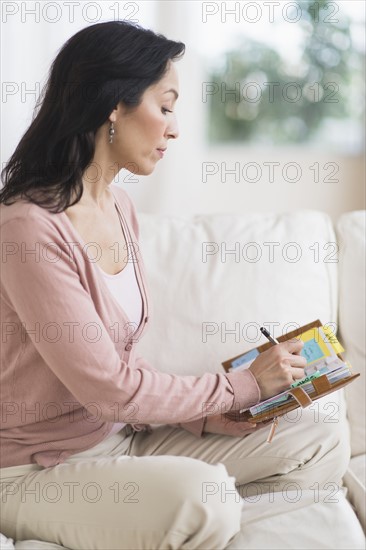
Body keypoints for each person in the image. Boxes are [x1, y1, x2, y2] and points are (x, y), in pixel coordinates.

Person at [0, 20, 350, 550]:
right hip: (37, 471)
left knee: (321, 436)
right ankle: (204, 515)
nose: (175, 128)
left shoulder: (118, 207)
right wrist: (241, 386)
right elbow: (109, 387)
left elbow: (125, 361)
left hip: (120, 441)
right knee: (205, 496)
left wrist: (206, 416)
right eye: (165, 106)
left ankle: (203, 523)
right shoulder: (29, 228)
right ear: (113, 105)